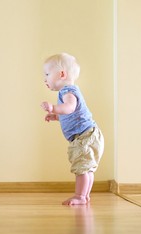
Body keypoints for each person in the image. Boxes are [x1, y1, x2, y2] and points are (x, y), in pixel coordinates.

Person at [40, 53, 104, 205]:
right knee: (87, 168)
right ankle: (85, 195)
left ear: (61, 74)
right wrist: (57, 117)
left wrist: (53, 108)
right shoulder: (71, 90)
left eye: (47, 74)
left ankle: (80, 196)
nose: (45, 78)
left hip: (84, 136)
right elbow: (72, 113)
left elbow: (70, 107)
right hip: (90, 134)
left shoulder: (67, 92)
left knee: (81, 167)